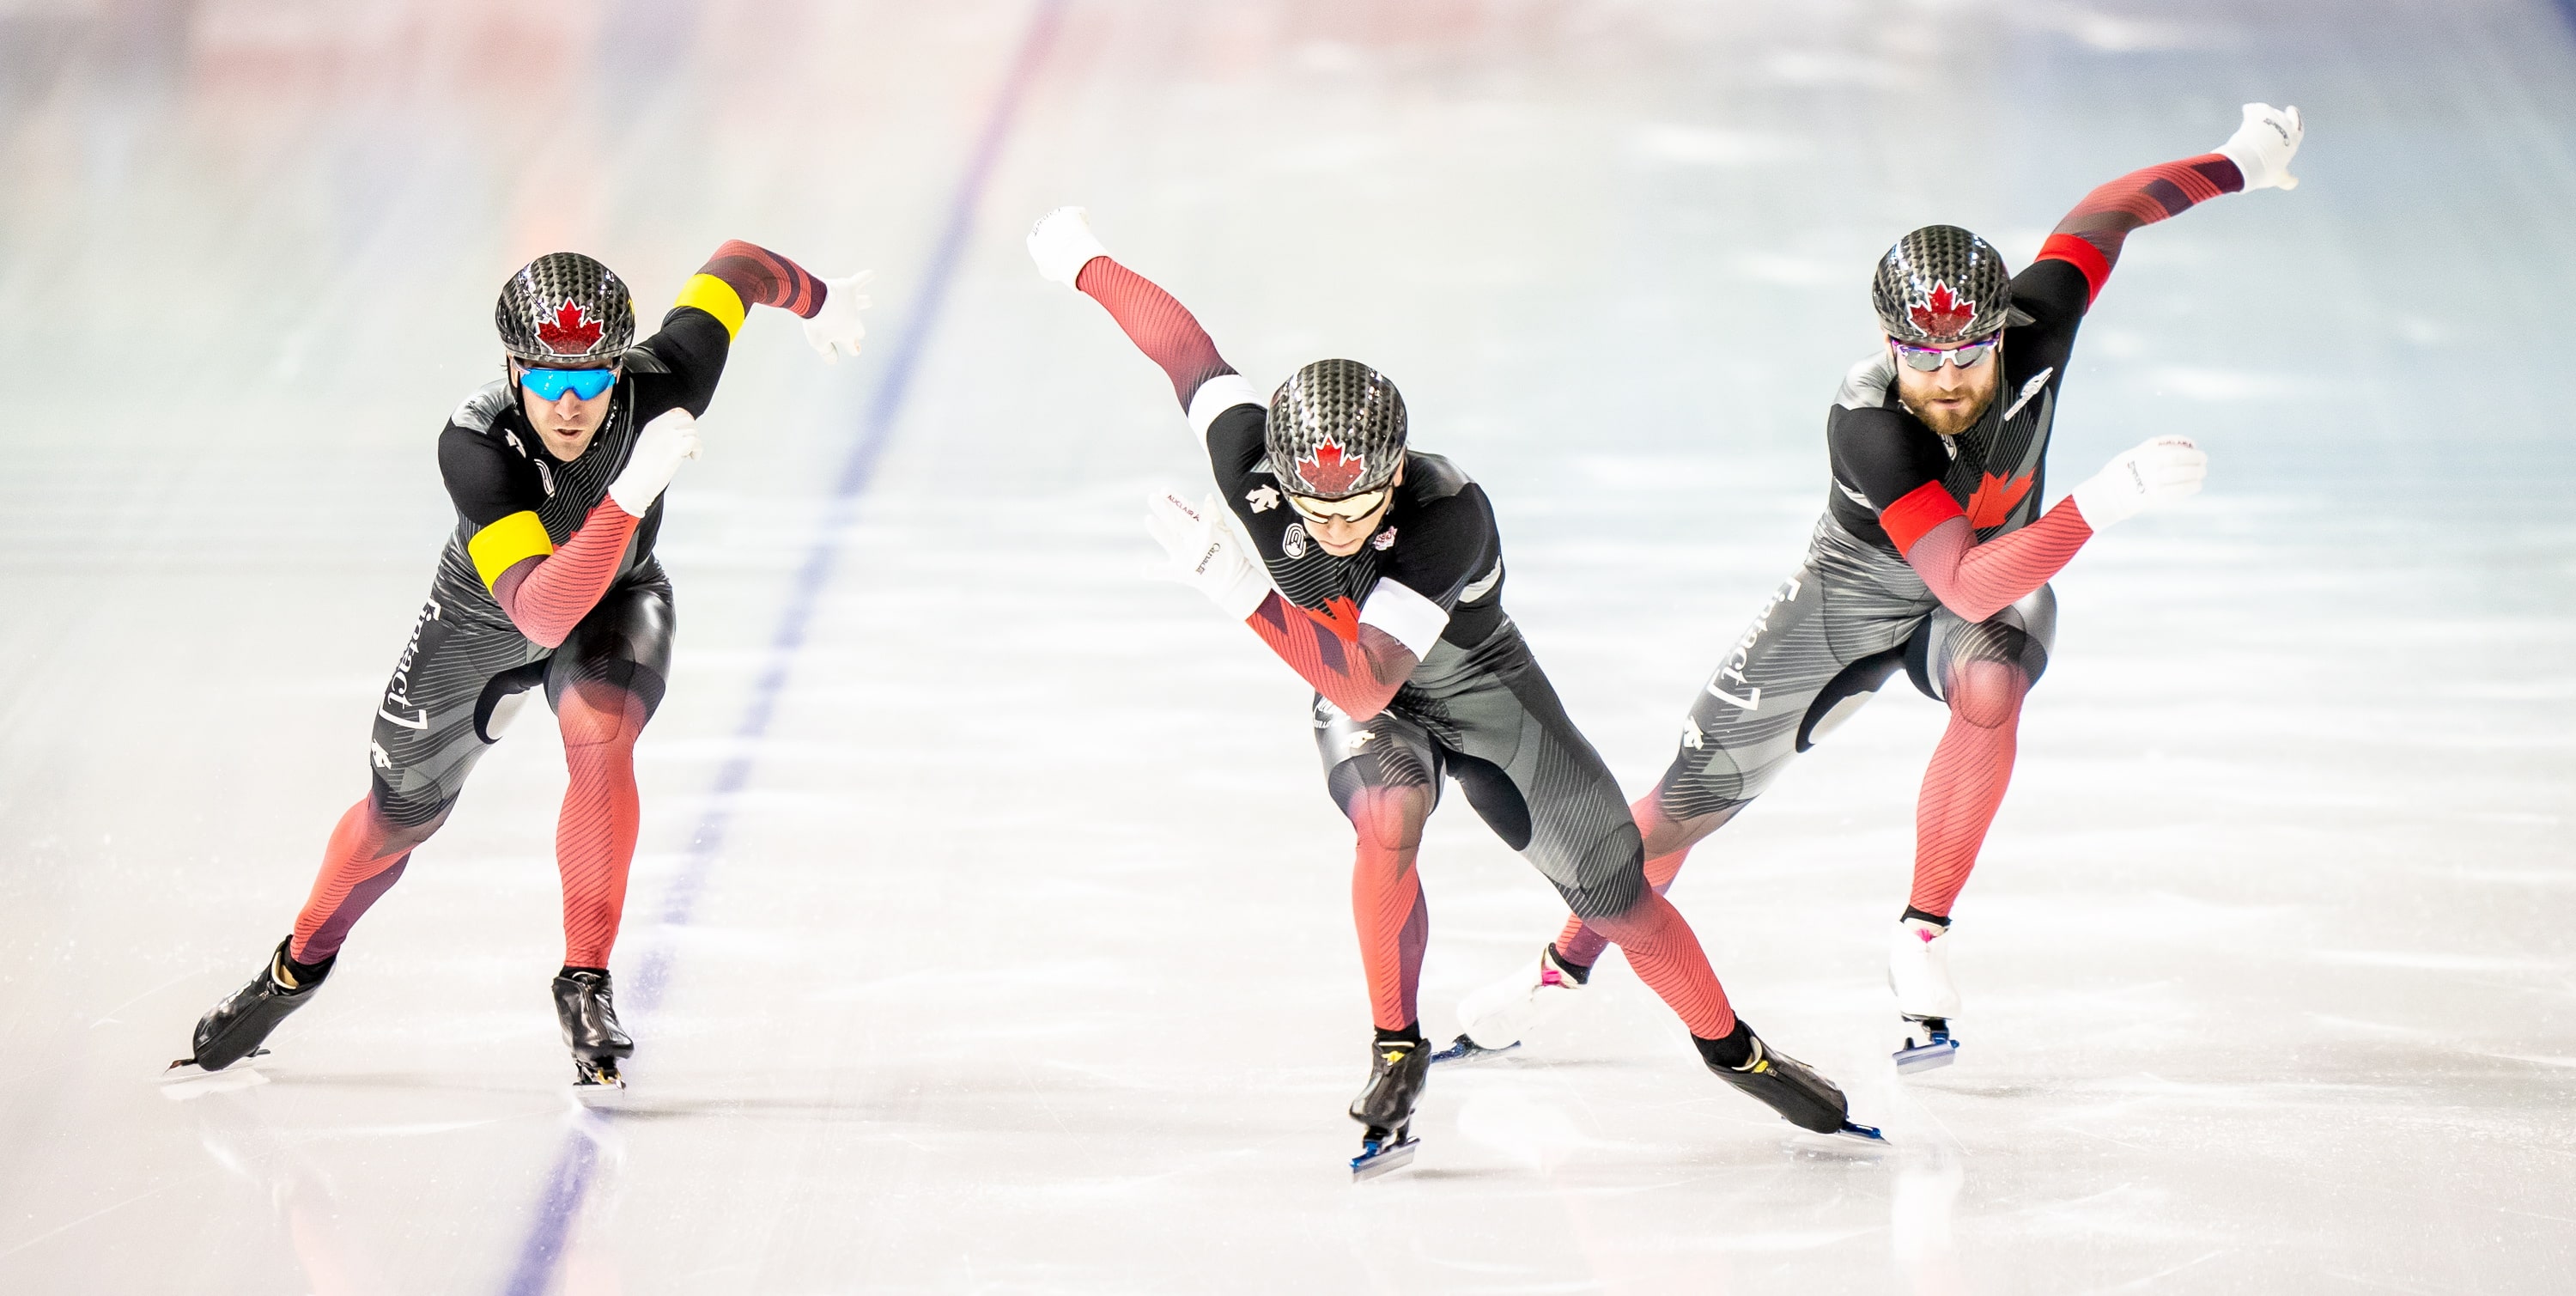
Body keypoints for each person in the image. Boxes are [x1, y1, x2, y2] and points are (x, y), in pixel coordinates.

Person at [1026, 207, 1877, 1177]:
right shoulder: (1252, 463)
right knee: (1388, 811)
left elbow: (1366, 674)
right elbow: (1185, 351)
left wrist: (1238, 589)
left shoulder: (1446, 514)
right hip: (1355, 680)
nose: (1339, 528)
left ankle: (1736, 1051)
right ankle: (1397, 1048)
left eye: (1361, 505)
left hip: (1470, 682)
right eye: (1318, 510)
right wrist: (1089, 265)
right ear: (1281, 481)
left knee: (1617, 898)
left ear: (1396, 473)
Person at [1455, 104, 2307, 1073]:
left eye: (1964, 356)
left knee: (1992, 686)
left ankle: (1921, 933)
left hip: (1987, 586)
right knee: (1683, 802)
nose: (1942, 379)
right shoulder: (1871, 426)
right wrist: (2100, 503)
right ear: (1889, 344)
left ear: (2003, 331)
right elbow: (1960, 579)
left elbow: (2107, 212)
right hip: (1862, 595)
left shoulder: (2041, 321)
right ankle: (1564, 970)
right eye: (1919, 358)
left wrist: (2240, 161)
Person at [172, 243, 869, 1091]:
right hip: (487, 621)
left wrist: (819, 301)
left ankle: (585, 982)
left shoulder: (669, 378)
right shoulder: (477, 445)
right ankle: (296, 967)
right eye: (543, 380)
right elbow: (538, 611)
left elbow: (737, 269)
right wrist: (627, 494)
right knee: (397, 822)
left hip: (614, 595)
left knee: (601, 735)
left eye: (590, 380)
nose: (568, 404)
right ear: (511, 367)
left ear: (622, 365)